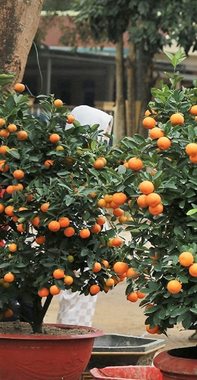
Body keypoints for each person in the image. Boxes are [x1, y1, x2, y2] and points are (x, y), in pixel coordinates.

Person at [56, 105, 113, 327]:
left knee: (81, 292)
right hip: (80, 235)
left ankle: (74, 333)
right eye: (102, 131)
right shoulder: (76, 161)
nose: (105, 138)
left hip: (88, 235)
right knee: (76, 291)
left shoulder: (88, 160)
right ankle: (72, 335)